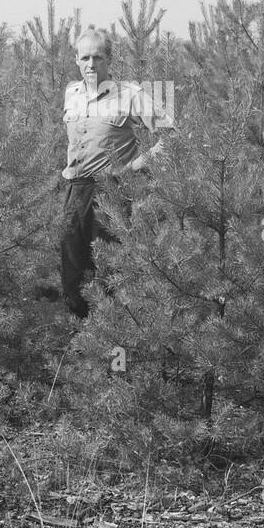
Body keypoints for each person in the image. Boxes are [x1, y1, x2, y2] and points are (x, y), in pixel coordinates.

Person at [59, 27, 174, 319]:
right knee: (73, 270)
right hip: (75, 192)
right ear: (76, 60)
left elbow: (172, 135)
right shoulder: (71, 93)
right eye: (84, 57)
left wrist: (133, 167)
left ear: (109, 59)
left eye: (98, 57)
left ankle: (114, 343)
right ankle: (80, 344)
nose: (91, 64)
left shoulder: (130, 95)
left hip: (111, 191)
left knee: (110, 270)